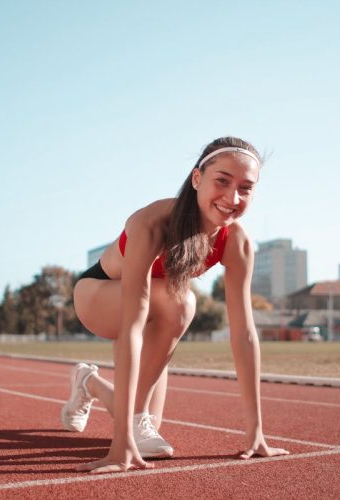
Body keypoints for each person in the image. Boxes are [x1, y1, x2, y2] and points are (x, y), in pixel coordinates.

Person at [65, 136, 289, 474]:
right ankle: (124, 423)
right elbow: (132, 324)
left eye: (246, 188)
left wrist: (255, 431)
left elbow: (243, 334)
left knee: (146, 422)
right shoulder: (153, 223)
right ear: (197, 178)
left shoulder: (237, 242)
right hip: (99, 294)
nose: (233, 198)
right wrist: (119, 443)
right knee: (182, 301)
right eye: (222, 181)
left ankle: (89, 383)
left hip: (158, 309)